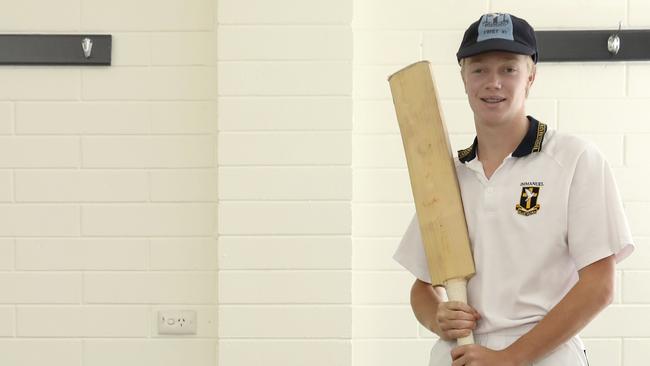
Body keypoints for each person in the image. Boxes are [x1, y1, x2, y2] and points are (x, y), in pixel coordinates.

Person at [393, 12, 635, 366]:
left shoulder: (574, 159)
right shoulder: (448, 176)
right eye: (479, 69)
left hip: (544, 354)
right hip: (462, 353)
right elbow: (422, 287)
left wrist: (510, 357)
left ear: (531, 76)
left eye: (508, 69)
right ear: (463, 78)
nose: (493, 82)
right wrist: (438, 316)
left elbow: (600, 286)